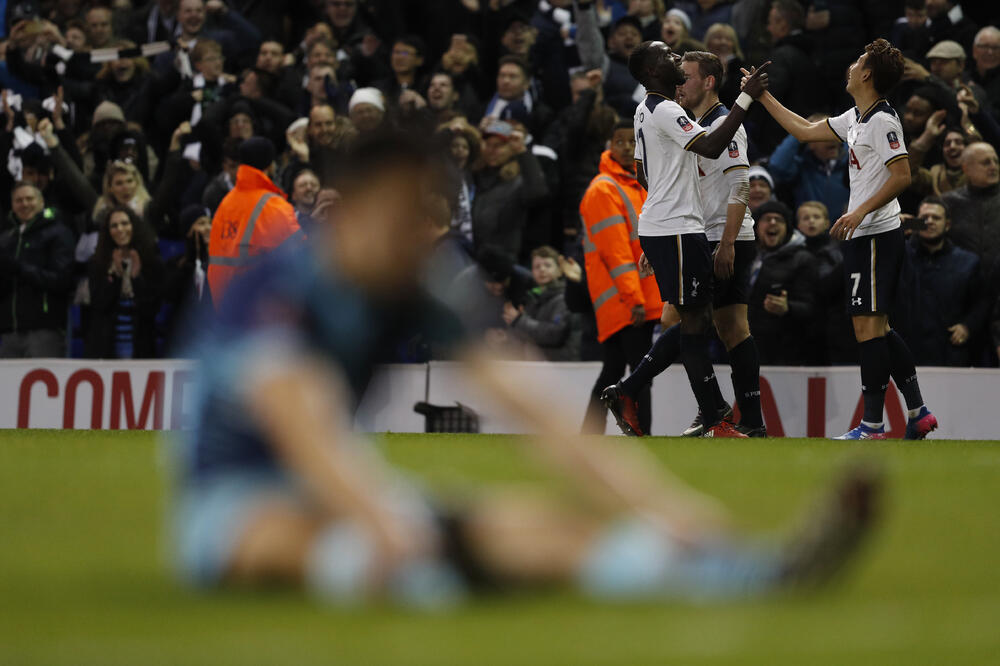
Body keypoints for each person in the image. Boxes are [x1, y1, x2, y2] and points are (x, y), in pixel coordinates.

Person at [168, 129, 880, 606]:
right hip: (233, 504)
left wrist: (657, 503)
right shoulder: (280, 286)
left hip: (345, 489)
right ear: (350, 210)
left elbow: (528, 399)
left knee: (548, 528)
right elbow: (300, 423)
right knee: (289, 542)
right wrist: (383, 522)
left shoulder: (415, 275)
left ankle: (747, 572)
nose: (414, 231)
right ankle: (405, 574)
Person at [750, 38, 938, 440]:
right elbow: (803, 130)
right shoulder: (857, 116)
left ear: (867, 74)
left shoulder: (884, 121)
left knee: (868, 329)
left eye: (858, 61)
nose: (851, 66)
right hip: (864, 235)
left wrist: (859, 210)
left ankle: (872, 425)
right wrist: (762, 96)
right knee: (878, 328)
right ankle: (918, 411)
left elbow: (902, 175)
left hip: (874, 234)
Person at [607, 40, 769, 439]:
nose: (676, 60)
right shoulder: (667, 110)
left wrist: (659, 215)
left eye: (681, 60)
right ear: (651, 72)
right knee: (692, 322)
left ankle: (714, 413)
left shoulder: (645, 110)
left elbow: (645, 172)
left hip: (679, 227)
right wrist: (746, 99)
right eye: (668, 56)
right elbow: (711, 146)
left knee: (699, 321)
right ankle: (713, 414)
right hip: (680, 227)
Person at [579, 120, 661, 435]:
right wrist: (634, 300)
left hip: (627, 298)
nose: (627, 148)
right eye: (620, 142)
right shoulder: (605, 188)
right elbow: (616, 253)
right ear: (609, 146)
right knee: (640, 375)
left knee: (613, 370)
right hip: (627, 300)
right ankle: (644, 436)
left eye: (632, 142)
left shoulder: (635, 184)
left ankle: (589, 434)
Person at [207, 136, 303, 305]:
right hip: (259, 312)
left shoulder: (226, 203)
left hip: (223, 308)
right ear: (271, 165)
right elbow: (303, 259)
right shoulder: (275, 207)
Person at [902, 196, 989, 366]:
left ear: (947, 225)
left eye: (936, 218)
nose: (929, 221)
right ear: (915, 221)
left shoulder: (968, 262)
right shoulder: (901, 256)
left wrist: (968, 326)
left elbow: (983, 301)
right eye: (924, 218)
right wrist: (893, 232)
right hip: (908, 354)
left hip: (950, 354)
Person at [0, 182, 75, 358]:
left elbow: (61, 279)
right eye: (19, 200)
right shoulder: (6, 238)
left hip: (44, 329)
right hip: (9, 330)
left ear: (41, 202)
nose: (24, 204)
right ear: (12, 205)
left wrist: (19, 268)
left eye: (29, 199)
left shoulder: (59, 233)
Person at [85, 205, 163, 359]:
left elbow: (152, 308)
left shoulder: (151, 260)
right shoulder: (98, 262)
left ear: (134, 225)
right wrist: (115, 276)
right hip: (107, 345)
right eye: (114, 226)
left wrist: (136, 278)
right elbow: (99, 304)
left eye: (125, 223)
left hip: (141, 343)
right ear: (108, 231)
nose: (120, 229)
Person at [747, 200, 817, 366]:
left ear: (787, 228)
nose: (772, 222)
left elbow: (812, 307)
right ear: (756, 226)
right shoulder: (743, 257)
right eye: (767, 219)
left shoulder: (802, 259)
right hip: (744, 347)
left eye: (779, 219)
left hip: (784, 354)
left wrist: (788, 307)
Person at [502, 245, 581, 361]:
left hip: (563, 368)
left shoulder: (564, 298)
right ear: (532, 272)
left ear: (559, 270)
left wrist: (519, 321)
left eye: (547, 265)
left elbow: (555, 334)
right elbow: (527, 334)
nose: (542, 269)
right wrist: (506, 337)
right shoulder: (532, 298)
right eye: (537, 267)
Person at [942, 142, 1000, 265]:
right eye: (986, 162)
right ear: (966, 169)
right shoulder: (948, 202)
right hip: (962, 278)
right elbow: (924, 227)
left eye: (996, 161)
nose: (993, 167)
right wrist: (904, 222)